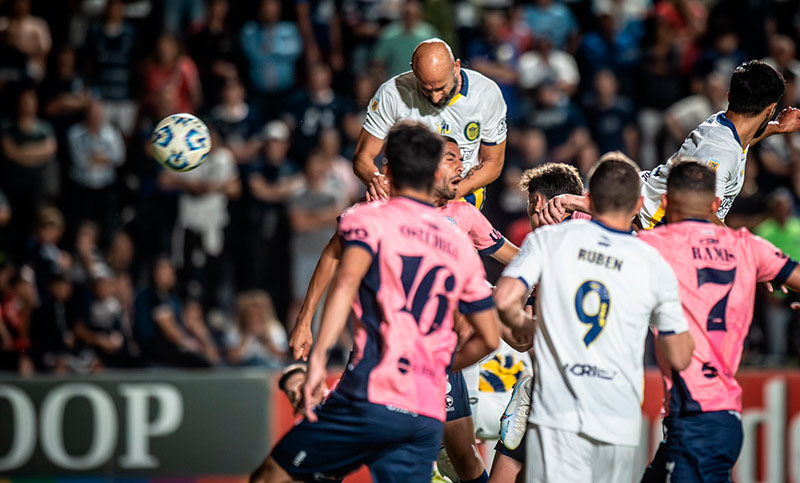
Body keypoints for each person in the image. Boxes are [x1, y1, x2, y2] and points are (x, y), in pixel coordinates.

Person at [250, 123, 500, 483]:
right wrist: (434, 368)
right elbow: (488, 337)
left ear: (388, 170)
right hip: (427, 409)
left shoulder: (370, 217)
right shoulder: (456, 240)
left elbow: (345, 282)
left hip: (372, 393)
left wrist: (318, 361)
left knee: (271, 476)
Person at [493, 153, 695, 482]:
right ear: (638, 204)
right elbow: (681, 352)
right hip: (618, 415)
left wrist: (540, 330)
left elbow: (504, 301)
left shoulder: (549, 240)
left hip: (557, 406)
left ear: (589, 199)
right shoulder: (652, 261)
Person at [637, 161, 800, 482]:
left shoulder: (652, 246)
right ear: (715, 205)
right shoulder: (748, 247)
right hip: (719, 414)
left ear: (666, 201)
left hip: (696, 413)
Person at [538, 60, 800, 229]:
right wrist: (744, 252)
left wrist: (778, 127)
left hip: (640, 206)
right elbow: (698, 213)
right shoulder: (720, 152)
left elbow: (745, 138)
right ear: (771, 108)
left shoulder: (723, 122)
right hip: (643, 224)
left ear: (731, 96)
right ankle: (572, 204)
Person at [489, 162, 587, 483]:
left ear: (538, 202)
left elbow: (521, 339)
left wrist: (483, 303)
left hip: (557, 388)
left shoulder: (543, 243)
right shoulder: (608, 232)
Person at [354, 39, 508, 209]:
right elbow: (363, 158)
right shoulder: (392, 93)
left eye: (441, 88)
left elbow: (494, 163)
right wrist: (375, 180)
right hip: (406, 196)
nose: (435, 98)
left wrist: (450, 193)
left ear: (456, 67)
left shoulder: (486, 94)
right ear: (413, 70)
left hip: (460, 195)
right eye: (426, 89)